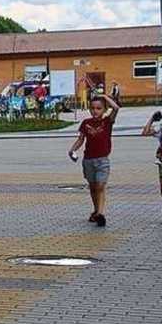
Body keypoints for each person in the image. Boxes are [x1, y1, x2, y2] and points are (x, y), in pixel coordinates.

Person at [67, 91, 119, 226]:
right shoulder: (86, 123)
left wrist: (104, 97)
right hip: (88, 160)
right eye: (93, 108)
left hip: (102, 160)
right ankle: (96, 211)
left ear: (104, 110)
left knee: (100, 186)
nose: (95, 111)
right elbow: (81, 139)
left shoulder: (107, 121)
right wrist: (72, 150)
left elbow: (116, 108)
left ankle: (100, 214)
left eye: (99, 108)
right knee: (93, 187)